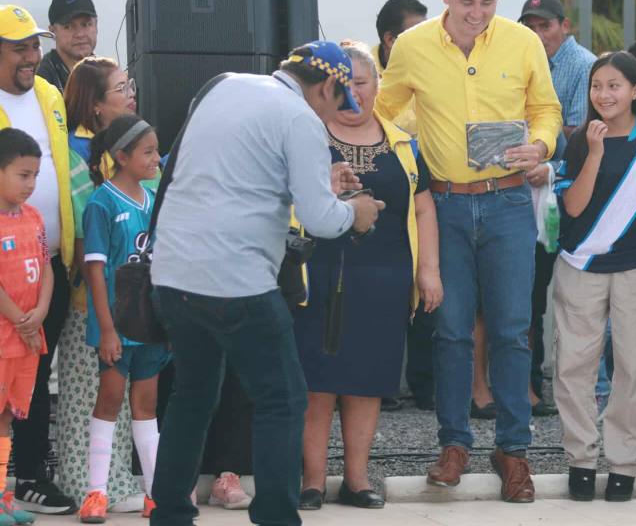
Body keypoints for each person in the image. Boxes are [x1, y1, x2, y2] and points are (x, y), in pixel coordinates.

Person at [148, 40, 383, 526]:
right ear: (325, 87)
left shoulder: (224, 87)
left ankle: (169, 514)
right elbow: (321, 220)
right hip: (236, 281)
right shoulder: (299, 118)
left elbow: (237, 177)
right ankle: (277, 516)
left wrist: (320, 184)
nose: (334, 113)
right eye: (339, 101)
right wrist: (355, 214)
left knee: (191, 395)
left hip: (172, 273)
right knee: (283, 399)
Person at [376, 0, 562, 503]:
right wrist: (403, 151)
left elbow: (546, 109)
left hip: (508, 202)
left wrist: (540, 145)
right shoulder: (410, 47)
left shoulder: (522, 42)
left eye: (487, 3)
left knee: (511, 329)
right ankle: (453, 444)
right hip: (444, 206)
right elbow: (385, 110)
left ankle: (513, 451)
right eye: (466, 3)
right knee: (451, 331)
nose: (477, 14)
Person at [296, 42, 440, 511]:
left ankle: (356, 480)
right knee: (317, 383)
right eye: (347, 83)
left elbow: (422, 205)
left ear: (379, 86)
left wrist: (429, 271)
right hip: (319, 273)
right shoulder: (308, 134)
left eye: (364, 82)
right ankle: (312, 482)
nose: (356, 92)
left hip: (386, 277)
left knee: (368, 381)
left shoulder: (403, 140)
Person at [552, 51, 636, 503]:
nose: (605, 94)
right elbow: (574, 207)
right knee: (572, 366)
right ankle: (580, 459)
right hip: (581, 266)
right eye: (597, 85)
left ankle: (624, 463)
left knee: (634, 368)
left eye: (615, 85)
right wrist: (594, 151)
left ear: (635, 90)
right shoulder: (580, 139)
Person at [57, 56, 145, 513]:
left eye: (130, 86)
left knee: (120, 391)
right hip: (89, 296)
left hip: (128, 295)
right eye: (121, 89)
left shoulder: (126, 149)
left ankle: (113, 483)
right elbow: (81, 226)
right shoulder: (75, 153)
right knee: (88, 391)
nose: (131, 94)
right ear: (95, 106)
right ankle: (83, 484)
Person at [0, 4, 78, 516]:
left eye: (36, 45)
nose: (33, 56)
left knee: (33, 376)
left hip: (48, 261)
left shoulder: (51, 94)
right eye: (20, 47)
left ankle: (25, 478)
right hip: (4, 274)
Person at [77, 116, 168, 523]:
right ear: (121, 157)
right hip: (117, 325)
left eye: (155, 150)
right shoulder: (102, 203)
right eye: (147, 152)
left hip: (149, 323)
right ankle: (96, 493)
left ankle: (155, 493)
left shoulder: (154, 199)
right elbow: (95, 269)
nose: (155, 158)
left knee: (146, 405)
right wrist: (107, 328)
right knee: (110, 400)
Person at [519, 0, 594, 416]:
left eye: (545, 25)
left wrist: (535, 138)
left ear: (565, 26)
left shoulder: (580, 65)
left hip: (560, 192)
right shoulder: (526, 58)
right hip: (529, 190)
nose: (537, 33)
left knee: (558, 296)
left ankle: (559, 388)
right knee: (530, 294)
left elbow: (579, 134)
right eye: (529, 26)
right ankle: (530, 386)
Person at [373, 0, 433, 411]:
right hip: (379, 194)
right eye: (413, 33)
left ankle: (425, 384)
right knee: (382, 292)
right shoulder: (364, 74)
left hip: (426, 188)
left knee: (426, 287)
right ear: (390, 39)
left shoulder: (429, 65)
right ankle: (382, 383)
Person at [0, 128, 54, 526]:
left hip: (28, 339)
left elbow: (47, 267)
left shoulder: (34, 218)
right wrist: (19, 319)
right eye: (23, 175)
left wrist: (39, 312)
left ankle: (4, 498)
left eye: (35, 175)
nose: (31, 184)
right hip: (6, 336)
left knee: (7, 418)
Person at [373, 0, 427, 139]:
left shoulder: (433, 68)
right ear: (390, 40)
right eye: (417, 37)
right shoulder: (359, 74)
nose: (427, 44)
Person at [37, 0, 97, 93]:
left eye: (86, 24)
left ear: (96, 25)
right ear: (52, 31)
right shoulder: (41, 79)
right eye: (68, 26)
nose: (80, 34)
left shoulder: (108, 73)